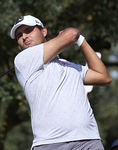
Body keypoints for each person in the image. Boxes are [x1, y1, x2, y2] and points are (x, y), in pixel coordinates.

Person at [10, 15, 112, 150]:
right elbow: (72, 34)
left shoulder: (68, 65)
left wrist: (81, 40)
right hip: (50, 143)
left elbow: (104, 77)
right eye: (19, 36)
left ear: (44, 31)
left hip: (88, 139)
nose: (23, 37)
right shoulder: (23, 60)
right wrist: (73, 36)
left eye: (28, 30)